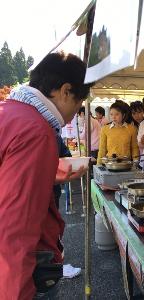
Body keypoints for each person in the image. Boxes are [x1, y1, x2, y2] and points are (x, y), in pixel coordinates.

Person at [0, 51, 92, 299]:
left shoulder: (10, 111)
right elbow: (16, 225)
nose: (76, 112)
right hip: (19, 272)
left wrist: (51, 172)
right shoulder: (36, 130)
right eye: (79, 102)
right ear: (65, 91)